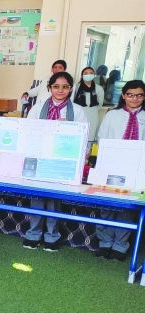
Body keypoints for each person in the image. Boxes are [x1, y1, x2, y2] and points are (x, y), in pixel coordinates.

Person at [23, 71, 87, 252]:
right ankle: (33, 234)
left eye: (65, 87)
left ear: (70, 89)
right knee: (36, 196)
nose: (60, 90)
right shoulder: (37, 108)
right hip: (39, 157)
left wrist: (68, 127)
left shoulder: (78, 110)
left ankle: (52, 236)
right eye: (56, 86)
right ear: (49, 88)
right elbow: (28, 131)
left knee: (54, 200)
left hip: (62, 161)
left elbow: (83, 136)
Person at [94, 80, 145, 261]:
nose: (135, 98)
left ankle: (120, 246)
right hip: (112, 165)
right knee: (108, 204)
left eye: (139, 95)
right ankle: (104, 242)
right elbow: (102, 138)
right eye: (130, 94)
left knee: (126, 207)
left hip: (136, 168)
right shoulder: (112, 115)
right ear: (123, 95)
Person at [72, 66, 105, 141]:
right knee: (77, 135)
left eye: (91, 73)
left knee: (90, 135)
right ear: (82, 76)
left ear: (94, 75)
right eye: (86, 73)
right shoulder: (76, 87)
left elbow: (100, 103)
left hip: (92, 115)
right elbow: (72, 100)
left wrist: (92, 109)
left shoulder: (98, 88)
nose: (88, 75)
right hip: (78, 114)